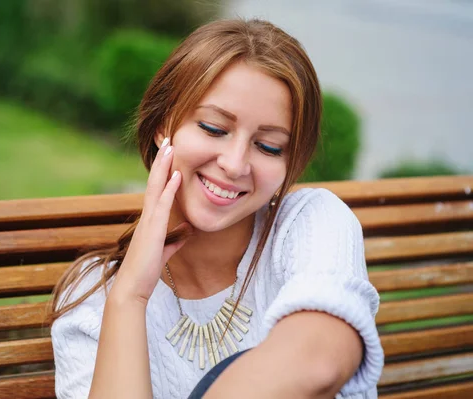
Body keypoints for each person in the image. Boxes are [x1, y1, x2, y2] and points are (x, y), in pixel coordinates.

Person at [48, 18, 384, 399]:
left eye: (269, 147)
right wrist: (129, 298)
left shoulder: (311, 224)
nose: (235, 164)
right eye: (213, 127)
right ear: (163, 126)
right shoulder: (93, 296)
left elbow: (319, 363)